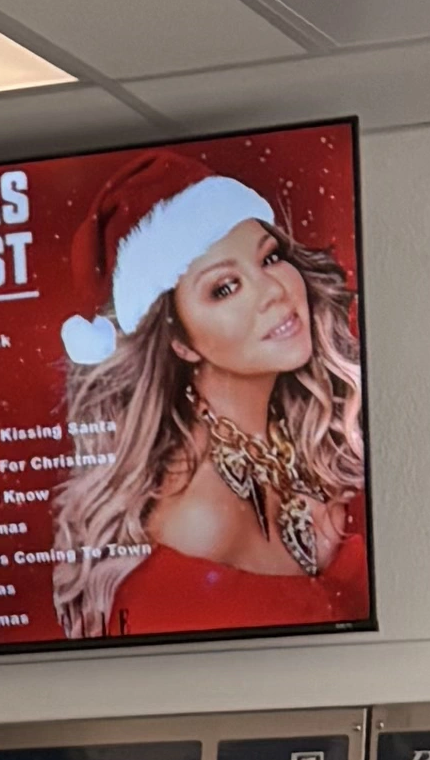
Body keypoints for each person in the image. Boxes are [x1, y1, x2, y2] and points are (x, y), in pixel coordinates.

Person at [48, 157, 370, 644]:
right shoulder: (199, 521)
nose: (273, 291)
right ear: (180, 342)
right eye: (225, 288)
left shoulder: (309, 425)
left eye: (269, 257)